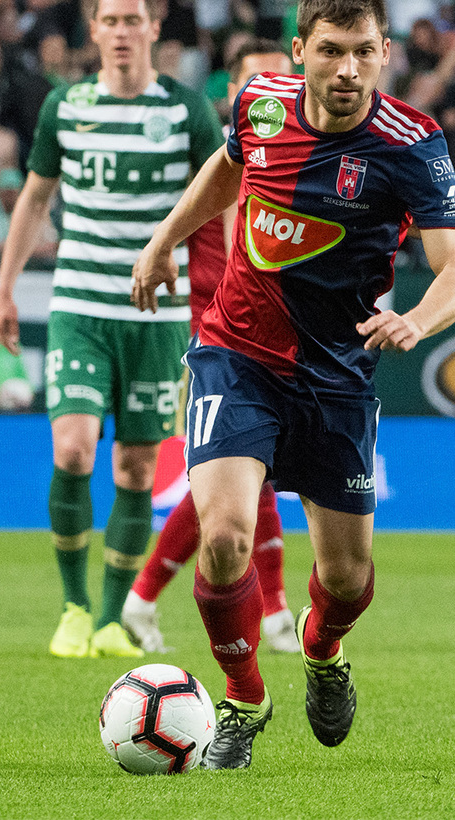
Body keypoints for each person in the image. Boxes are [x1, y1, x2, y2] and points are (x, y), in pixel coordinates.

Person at [130, 0, 455, 770]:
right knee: (224, 537)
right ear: (300, 51)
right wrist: (164, 239)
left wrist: (417, 319)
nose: (348, 69)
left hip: (338, 377)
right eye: (331, 51)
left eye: (364, 52)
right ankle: (243, 698)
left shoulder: (412, 145)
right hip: (237, 356)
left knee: (347, 580)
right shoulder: (260, 104)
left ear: (386, 53)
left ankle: (323, 652)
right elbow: (227, 169)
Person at [0, 0, 224, 661]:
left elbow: (225, 195)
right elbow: (35, 200)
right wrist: (5, 289)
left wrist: (194, 254)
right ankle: (73, 607)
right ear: (93, 31)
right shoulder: (66, 106)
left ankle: (112, 619)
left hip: (158, 315)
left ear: (154, 28)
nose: (122, 32)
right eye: (111, 21)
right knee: (73, 448)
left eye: (133, 20)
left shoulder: (185, 110)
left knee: (136, 467)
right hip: (80, 306)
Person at [121, 39, 302, 656]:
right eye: (259, 82)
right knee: (231, 479)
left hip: (276, 342)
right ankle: (151, 597)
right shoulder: (221, 165)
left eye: (284, 81)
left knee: (253, 479)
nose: (275, 95)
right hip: (217, 341)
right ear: (232, 92)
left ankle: (270, 612)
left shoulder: (303, 163)